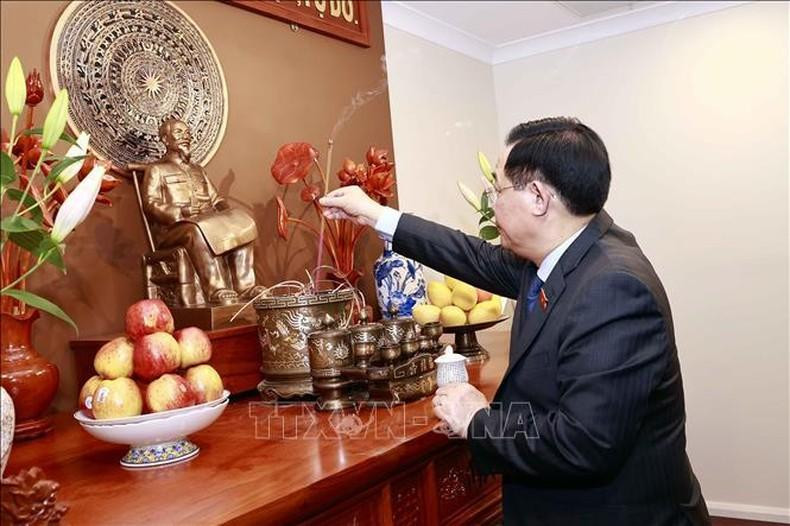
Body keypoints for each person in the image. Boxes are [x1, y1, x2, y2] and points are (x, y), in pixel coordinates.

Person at [319, 117, 710, 525]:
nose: (492, 200)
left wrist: (477, 419)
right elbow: (473, 256)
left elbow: (584, 444)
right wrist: (374, 215)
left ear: (538, 197)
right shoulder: (567, 252)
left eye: (497, 189)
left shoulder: (612, 287)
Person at [142, 118, 262, 305]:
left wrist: (227, 213)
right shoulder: (156, 169)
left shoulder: (199, 170)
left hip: (208, 222)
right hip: (176, 229)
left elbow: (216, 199)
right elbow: (150, 203)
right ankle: (216, 289)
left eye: (187, 132)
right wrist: (180, 211)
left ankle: (245, 287)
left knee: (242, 223)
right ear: (166, 139)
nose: (186, 136)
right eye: (179, 132)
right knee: (196, 231)